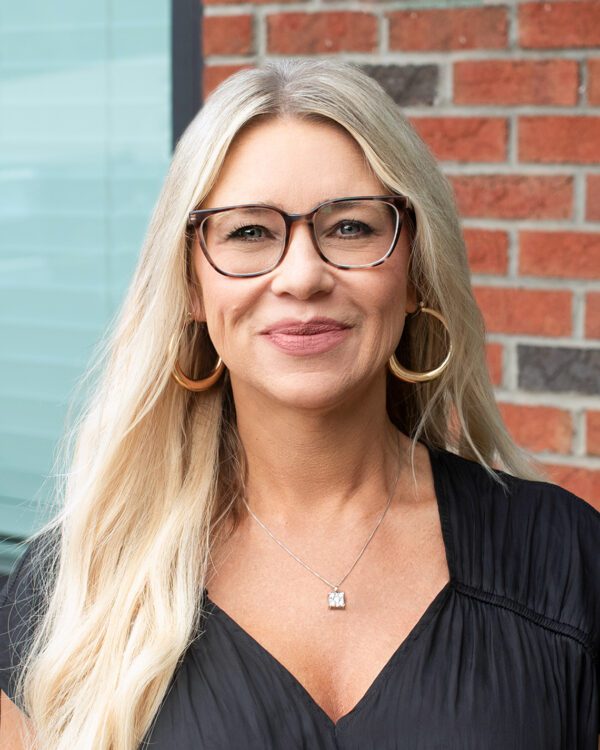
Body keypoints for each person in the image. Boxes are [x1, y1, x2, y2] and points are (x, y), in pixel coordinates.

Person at [0, 58, 598, 750]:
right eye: (248, 232)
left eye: (350, 228)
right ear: (192, 288)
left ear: (415, 274)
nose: (303, 275)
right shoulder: (74, 588)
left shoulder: (566, 561)